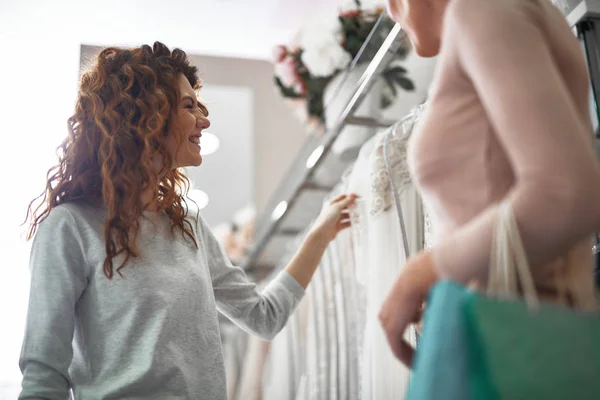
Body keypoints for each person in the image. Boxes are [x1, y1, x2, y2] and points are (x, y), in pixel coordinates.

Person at [19, 41, 357, 399]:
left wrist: (321, 232)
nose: (204, 119)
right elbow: (44, 376)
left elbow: (264, 317)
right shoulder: (70, 227)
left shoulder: (190, 228)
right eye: (188, 106)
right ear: (145, 113)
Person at [378, 0, 600, 367]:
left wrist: (424, 271)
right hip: (513, 338)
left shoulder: (481, 10)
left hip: (524, 347)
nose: (389, 10)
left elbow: (567, 193)